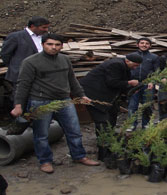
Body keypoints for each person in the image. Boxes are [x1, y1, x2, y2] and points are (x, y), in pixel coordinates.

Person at [11, 33, 100, 174]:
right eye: (50, 44)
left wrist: (81, 95)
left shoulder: (64, 59)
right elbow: (23, 85)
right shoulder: (31, 62)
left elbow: (72, 80)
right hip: (40, 102)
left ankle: (79, 156)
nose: (53, 47)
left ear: (61, 46)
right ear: (43, 44)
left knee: (74, 130)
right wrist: (18, 105)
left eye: (57, 45)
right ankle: (45, 161)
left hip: (64, 100)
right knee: (41, 134)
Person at [79, 53, 143, 133]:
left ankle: (110, 136)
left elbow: (121, 83)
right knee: (102, 119)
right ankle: (103, 142)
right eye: (135, 65)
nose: (135, 68)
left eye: (137, 66)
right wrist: (129, 83)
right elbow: (112, 82)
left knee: (113, 113)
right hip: (93, 93)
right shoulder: (116, 64)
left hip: (104, 93)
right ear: (127, 61)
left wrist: (130, 89)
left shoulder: (125, 67)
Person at [1, 16, 50, 111]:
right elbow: (5, 54)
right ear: (32, 26)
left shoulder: (44, 37)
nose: (46, 30)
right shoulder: (16, 36)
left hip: (40, 73)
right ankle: (20, 120)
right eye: (43, 27)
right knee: (20, 97)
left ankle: (35, 118)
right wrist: (15, 66)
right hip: (21, 73)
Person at [127, 38, 160, 130]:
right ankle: (131, 124)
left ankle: (146, 124)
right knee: (132, 105)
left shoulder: (154, 57)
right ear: (137, 44)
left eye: (147, 43)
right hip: (133, 84)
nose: (144, 45)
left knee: (147, 105)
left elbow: (157, 71)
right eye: (142, 43)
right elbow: (126, 70)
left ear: (150, 46)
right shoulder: (131, 56)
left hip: (147, 84)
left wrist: (152, 81)